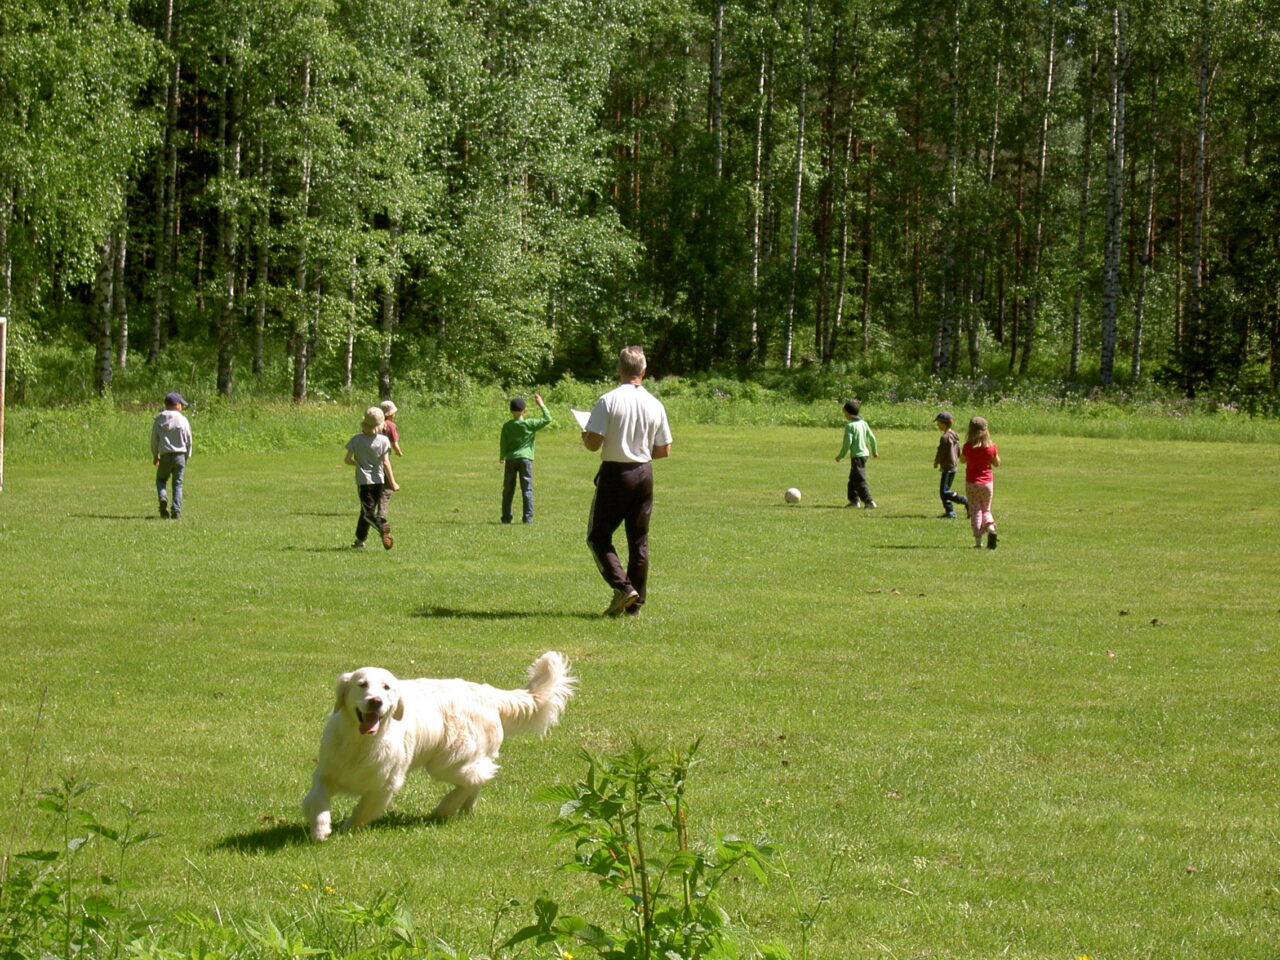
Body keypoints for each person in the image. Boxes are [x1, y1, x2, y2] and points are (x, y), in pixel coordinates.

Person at [583, 346, 672, 617]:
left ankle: (623, 588)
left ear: (619, 370)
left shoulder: (608, 400)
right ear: (644, 372)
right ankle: (635, 606)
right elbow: (664, 450)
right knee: (638, 541)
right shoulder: (655, 404)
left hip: (615, 473)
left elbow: (592, 443)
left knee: (598, 537)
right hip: (644, 473)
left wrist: (584, 433)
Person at [345, 406, 397, 550]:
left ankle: (382, 525)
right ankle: (360, 540)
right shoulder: (384, 440)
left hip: (364, 482)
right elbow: (386, 462)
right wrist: (392, 482)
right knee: (365, 511)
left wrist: (357, 463)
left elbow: (347, 460)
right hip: (379, 481)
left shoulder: (356, 440)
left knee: (368, 513)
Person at [499, 394, 552, 524]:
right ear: (525, 411)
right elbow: (548, 419)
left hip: (511, 459)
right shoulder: (530, 424)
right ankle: (527, 517)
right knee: (527, 488)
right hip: (525, 459)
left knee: (508, 489)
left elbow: (503, 442)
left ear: (511, 411)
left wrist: (502, 456)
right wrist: (542, 405)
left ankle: (506, 518)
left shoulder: (507, 426)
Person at [960, 415, 1001, 549]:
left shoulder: (968, 447)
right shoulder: (991, 447)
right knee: (986, 508)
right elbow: (997, 463)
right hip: (987, 483)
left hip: (971, 482)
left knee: (975, 510)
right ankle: (990, 528)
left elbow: (962, 460)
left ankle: (978, 542)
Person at [151, 391, 192, 519]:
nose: (182, 406)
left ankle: (163, 496)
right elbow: (188, 439)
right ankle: (176, 511)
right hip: (180, 455)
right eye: (181, 404)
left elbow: (154, 440)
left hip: (165, 455)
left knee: (161, 480)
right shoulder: (183, 420)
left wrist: (155, 455)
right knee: (178, 483)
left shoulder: (159, 420)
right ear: (176, 405)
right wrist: (187, 455)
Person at [835, 399, 878, 508]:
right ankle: (854, 501)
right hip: (865, 455)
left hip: (857, 456)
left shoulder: (850, 426)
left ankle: (869, 501)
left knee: (859, 479)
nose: (844, 416)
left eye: (845, 413)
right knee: (853, 479)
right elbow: (872, 438)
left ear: (849, 414)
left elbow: (847, 443)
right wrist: (874, 451)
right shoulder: (864, 423)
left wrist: (841, 456)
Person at [932, 411, 969, 519]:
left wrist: (936, 462)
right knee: (943, 491)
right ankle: (950, 512)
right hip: (953, 465)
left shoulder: (945, 437)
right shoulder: (954, 434)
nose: (937, 425)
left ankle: (966, 502)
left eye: (938, 423)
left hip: (948, 466)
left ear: (943, 424)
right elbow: (958, 449)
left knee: (945, 491)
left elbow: (941, 452)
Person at [377, 400, 402, 520]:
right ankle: (382, 511)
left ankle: (369, 509)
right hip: (384, 456)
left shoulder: (374, 425)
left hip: (372, 457)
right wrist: (399, 451)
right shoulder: (391, 426)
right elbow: (394, 442)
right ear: (391, 414)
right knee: (387, 486)